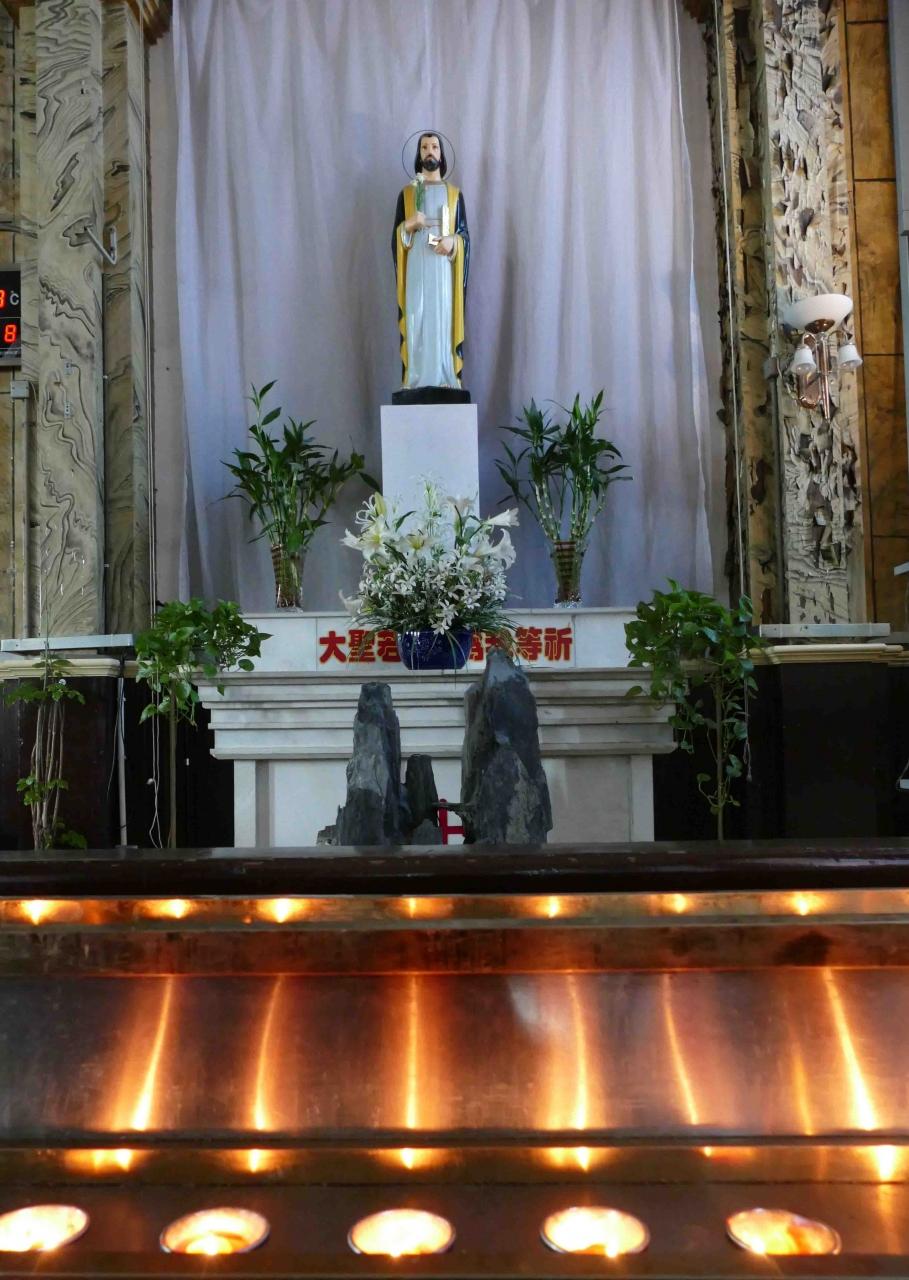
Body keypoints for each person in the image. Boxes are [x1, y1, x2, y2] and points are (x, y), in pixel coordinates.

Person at [392, 133, 470, 393]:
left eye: (434, 147)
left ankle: (444, 375)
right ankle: (415, 378)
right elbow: (396, 238)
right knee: (417, 316)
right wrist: (409, 225)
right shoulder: (407, 194)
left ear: (441, 154)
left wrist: (453, 242)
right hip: (416, 265)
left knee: (442, 316)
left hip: (442, 267)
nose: (429, 151)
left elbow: (464, 236)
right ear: (419, 154)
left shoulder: (454, 195)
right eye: (424, 147)